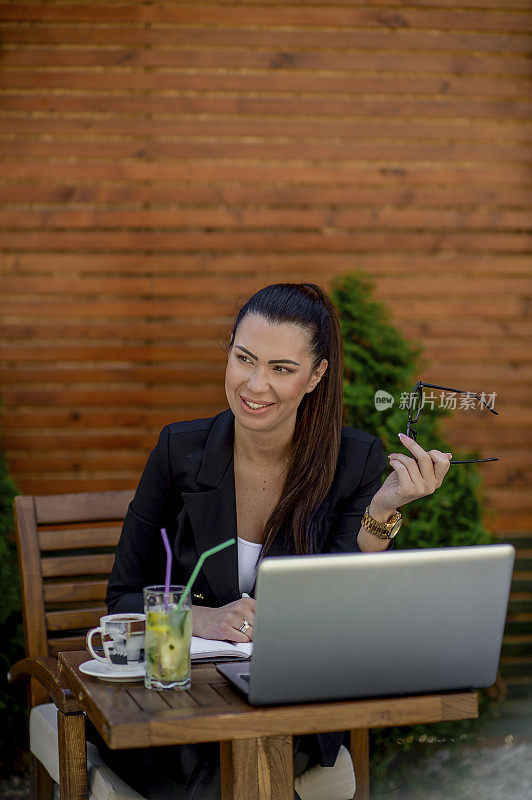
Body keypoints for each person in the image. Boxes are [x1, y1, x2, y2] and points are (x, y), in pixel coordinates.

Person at [99, 282, 453, 799]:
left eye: (281, 369)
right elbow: (123, 599)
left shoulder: (353, 461)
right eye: (244, 359)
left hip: (290, 704)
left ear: (316, 376)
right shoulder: (180, 451)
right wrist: (204, 618)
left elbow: (342, 605)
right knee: (212, 769)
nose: (254, 384)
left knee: (242, 760)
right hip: (178, 702)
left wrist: (381, 512)